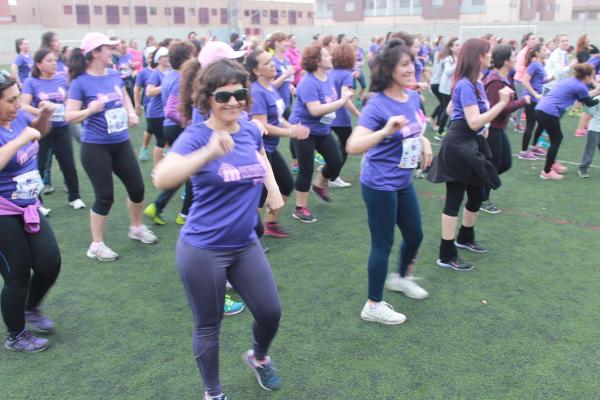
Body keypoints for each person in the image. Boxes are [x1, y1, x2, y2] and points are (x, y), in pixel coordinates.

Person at [153, 58, 284, 400]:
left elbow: (260, 156)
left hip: (245, 244)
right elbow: (162, 176)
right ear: (207, 98)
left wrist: (270, 187)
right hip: (203, 248)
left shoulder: (251, 129)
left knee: (270, 312)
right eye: (223, 96)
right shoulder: (197, 136)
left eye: (239, 94)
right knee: (209, 325)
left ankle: (258, 358)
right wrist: (209, 151)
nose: (233, 103)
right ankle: (213, 393)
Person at [346, 40, 433, 325]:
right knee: (382, 244)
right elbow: (353, 145)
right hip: (379, 184)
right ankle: (373, 304)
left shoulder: (409, 97)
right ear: (389, 70)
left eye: (413, 63)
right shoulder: (377, 104)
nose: (412, 68)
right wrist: (384, 131)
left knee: (415, 234)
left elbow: (413, 127)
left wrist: (423, 141)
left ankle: (400, 278)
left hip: (402, 179)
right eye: (405, 65)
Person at [65, 32, 157, 261]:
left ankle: (136, 228)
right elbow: (68, 116)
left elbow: (123, 95)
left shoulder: (114, 74)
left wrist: (130, 113)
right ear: (95, 52)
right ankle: (96, 245)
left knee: (137, 189)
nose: (113, 51)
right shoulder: (80, 82)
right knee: (105, 196)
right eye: (108, 48)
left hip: (121, 143)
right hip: (95, 147)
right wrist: (89, 110)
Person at [427, 38, 514, 271]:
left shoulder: (474, 83)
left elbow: (449, 109)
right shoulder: (465, 84)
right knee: (454, 200)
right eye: (488, 52)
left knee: (476, 196)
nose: (491, 56)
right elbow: (474, 121)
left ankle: (465, 238)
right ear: (478, 56)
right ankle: (446, 254)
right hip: (458, 146)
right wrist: (501, 104)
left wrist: (475, 123)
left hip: (470, 143)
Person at [0, 70, 61, 352]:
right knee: (18, 274)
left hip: (29, 205)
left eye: (17, 98)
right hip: (3, 212)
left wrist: (44, 118)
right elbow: (22, 141)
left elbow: (37, 131)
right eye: (11, 100)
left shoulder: (19, 115)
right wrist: (18, 140)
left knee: (49, 262)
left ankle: (30, 307)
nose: (17, 104)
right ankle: (16, 336)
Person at [246, 49, 310, 238]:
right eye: (266, 63)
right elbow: (263, 126)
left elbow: (277, 117)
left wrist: (292, 126)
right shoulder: (257, 92)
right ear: (256, 71)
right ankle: (250, 237)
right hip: (259, 151)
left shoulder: (270, 87)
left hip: (271, 148)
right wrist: (291, 132)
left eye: (271, 61)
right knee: (257, 197)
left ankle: (270, 223)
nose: (272, 64)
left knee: (285, 184)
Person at [289, 43, 353, 223]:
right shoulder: (308, 82)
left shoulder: (328, 78)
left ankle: (318, 185)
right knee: (306, 169)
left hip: (322, 129)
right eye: (326, 55)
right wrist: (341, 101)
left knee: (336, 161)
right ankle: (300, 208)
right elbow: (315, 110)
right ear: (317, 61)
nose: (330, 57)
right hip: (304, 130)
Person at [21, 48, 85, 210]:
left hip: (62, 129)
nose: (53, 64)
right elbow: (23, 105)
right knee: (39, 166)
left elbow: (69, 102)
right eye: (48, 61)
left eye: (54, 60)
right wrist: (41, 112)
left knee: (68, 164)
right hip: (40, 131)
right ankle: (37, 203)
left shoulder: (62, 80)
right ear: (38, 64)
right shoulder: (31, 82)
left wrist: (62, 109)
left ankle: (75, 197)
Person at [143, 41, 195, 226]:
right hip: (176, 127)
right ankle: (184, 214)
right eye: (191, 56)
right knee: (192, 172)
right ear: (185, 58)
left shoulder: (171, 75)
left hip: (171, 128)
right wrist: (189, 123)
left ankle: (158, 206)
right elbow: (171, 110)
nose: (194, 59)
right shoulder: (180, 78)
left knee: (186, 172)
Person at [481, 45, 530, 213]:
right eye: (513, 57)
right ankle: (482, 198)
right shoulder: (495, 81)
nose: (516, 59)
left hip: (500, 127)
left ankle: (480, 187)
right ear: (506, 61)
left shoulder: (504, 78)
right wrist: (522, 101)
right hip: (493, 127)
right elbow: (497, 109)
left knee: (505, 163)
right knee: (493, 164)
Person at [535, 63, 600, 180]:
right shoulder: (581, 87)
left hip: (541, 109)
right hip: (549, 112)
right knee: (557, 139)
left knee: (553, 138)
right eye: (592, 76)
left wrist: (595, 92)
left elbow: (582, 98)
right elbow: (589, 102)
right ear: (587, 77)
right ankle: (546, 171)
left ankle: (552, 163)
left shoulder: (571, 81)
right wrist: (597, 95)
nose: (592, 79)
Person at [328, 43, 361, 188]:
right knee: (347, 145)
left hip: (327, 115)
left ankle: (329, 171)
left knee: (333, 145)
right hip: (340, 117)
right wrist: (359, 114)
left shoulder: (329, 72)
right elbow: (345, 100)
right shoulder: (346, 74)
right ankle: (332, 175)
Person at [137, 46, 170, 167]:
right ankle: (157, 170)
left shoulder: (171, 71)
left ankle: (166, 163)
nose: (168, 58)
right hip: (156, 113)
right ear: (159, 59)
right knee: (161, 141)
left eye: (168, 56)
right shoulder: (156, 74)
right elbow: (149, 92)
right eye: (165, 56)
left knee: (168, 139)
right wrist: (165, 86)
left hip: (166, 112)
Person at [520, 43, 550, 160]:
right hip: (531, 99)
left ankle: (533, 147)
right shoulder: (534, 65)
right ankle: (523, 152)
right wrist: (535, 94)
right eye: (543, 49)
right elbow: (525, 81)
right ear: (537, 53)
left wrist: (549, 79)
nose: (546, 51)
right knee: (530, 125)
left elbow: (538, 82)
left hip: (537, 98)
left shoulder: (540, 64)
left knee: (542, 122)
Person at [435, 37, 461, 140]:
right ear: (451, 48)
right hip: (446, 89)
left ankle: (449, 129)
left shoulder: (459, 58)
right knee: (447, 110)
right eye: (457, 45)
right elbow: (448, 72)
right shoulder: (448, 59)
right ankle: (440, 132)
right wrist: (458, 63)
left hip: (455, 88)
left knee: (455, 109)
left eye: (460, 45)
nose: (459, 47)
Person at [513, 33, 539, 132]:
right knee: (522, 102)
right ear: (527, 41)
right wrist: (529, 69)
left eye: (535, 38)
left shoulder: (533, 51)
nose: (535, 40)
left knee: (528, 102)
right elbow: (517, 67)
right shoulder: (523, 52)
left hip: (527, 81)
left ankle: (518, 118)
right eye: (532, 39)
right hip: (520, 81)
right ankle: (518, 124)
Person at [578, 99, 600, 178]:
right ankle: (583, 168)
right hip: (595, 129)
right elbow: (588, 113)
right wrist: (581, 128)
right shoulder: (597, 99)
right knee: (590, 150)